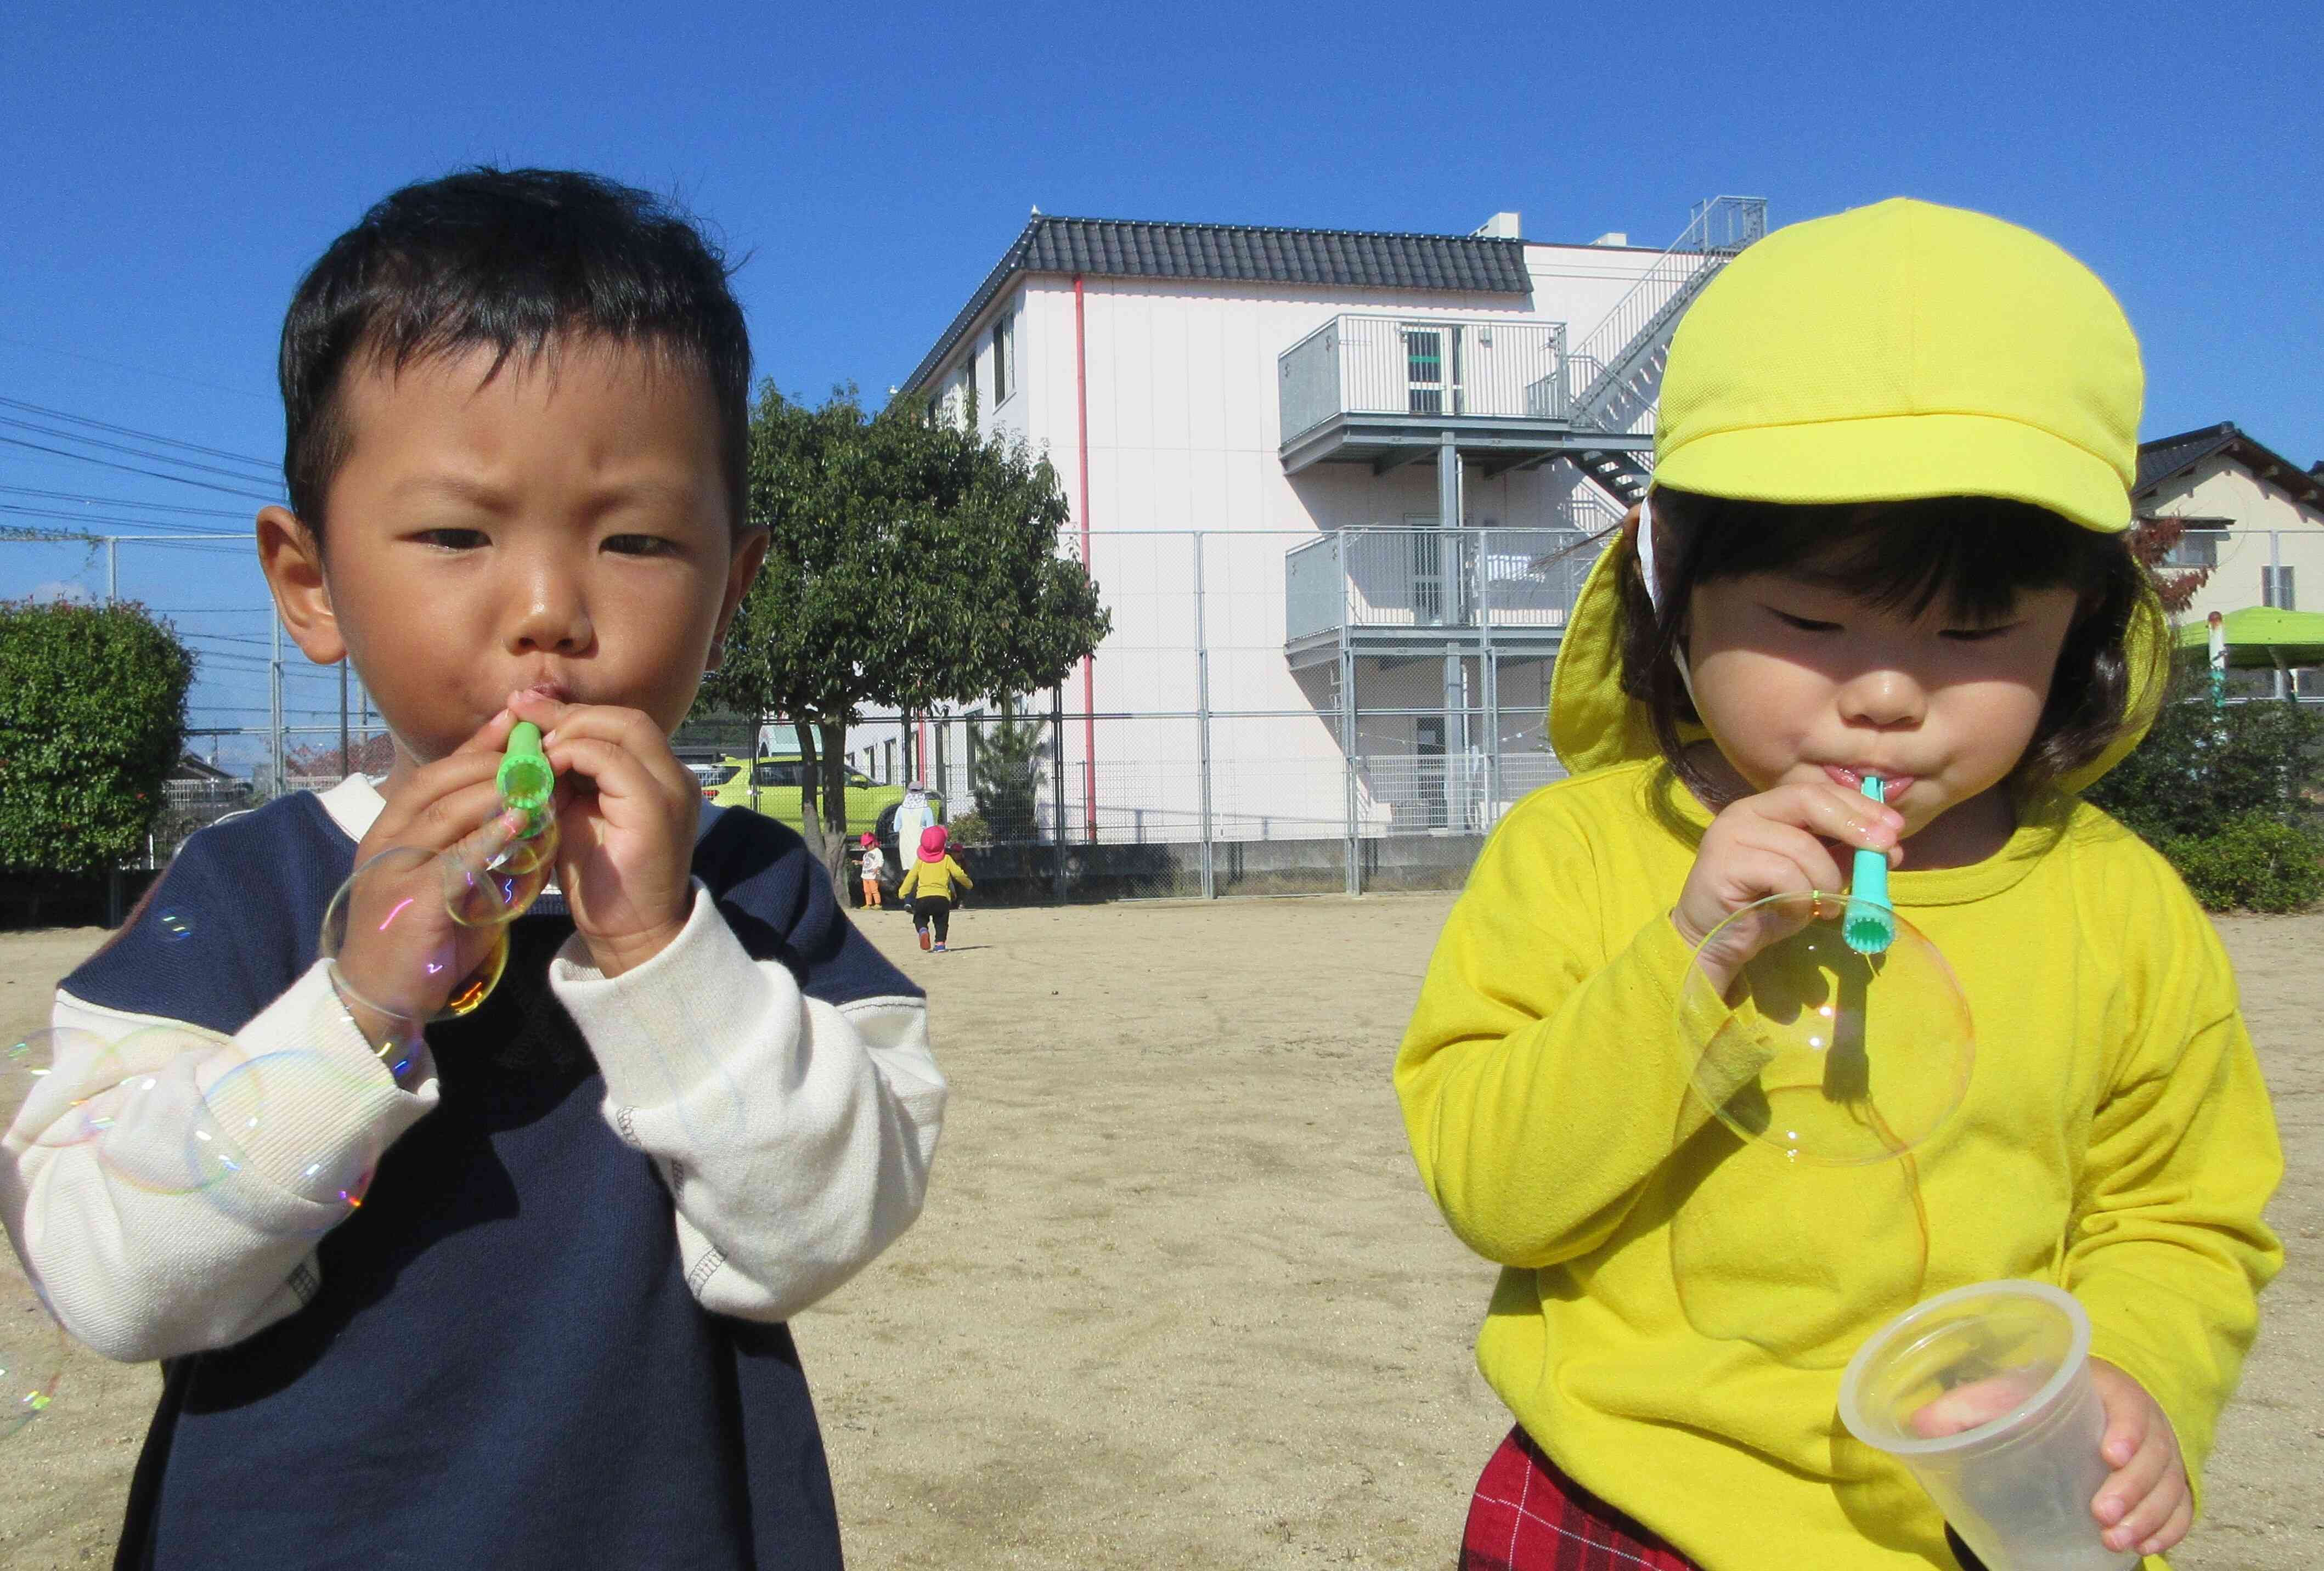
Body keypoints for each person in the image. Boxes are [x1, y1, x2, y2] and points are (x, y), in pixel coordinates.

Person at [0, 168, 946, 1571]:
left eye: (637, 540)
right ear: (311, 582)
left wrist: (665, 954)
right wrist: (354, 999)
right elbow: (106, 1278)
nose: (553, 608)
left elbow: (816, 1232)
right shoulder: (240, 888)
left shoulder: (754, 893)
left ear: (731, 591)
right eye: (456, 534)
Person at [1394, 200, 2281, 1570]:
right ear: (1670, 598)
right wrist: (1685, 954)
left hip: (1986, 1521)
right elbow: (1496, 1192)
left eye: (1977, 631)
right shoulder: (1578, 854)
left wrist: (2140, 1373)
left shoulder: (2121, 907)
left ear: (2086, 634)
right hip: (1620, 1504)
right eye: (1808, 621)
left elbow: (2176, 1211)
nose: (1883, 693)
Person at [896, 825, 972, 952]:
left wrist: (902, 892)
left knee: (919, 918)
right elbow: (958, 874)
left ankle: (923, 931)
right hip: (942, 899)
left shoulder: (921, 861)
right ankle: (940, 944)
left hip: (923, 898)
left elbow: (911, 877)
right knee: (941, 921)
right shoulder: (947, 859)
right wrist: (968, 883)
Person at [858, 830, 886, 908]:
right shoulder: (866, 854)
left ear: (873, 843)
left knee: (874, 890)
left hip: (873, 875)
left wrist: (878, 868)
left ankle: (878, 903)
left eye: (868, 845)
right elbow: (866, 862)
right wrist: (860, 863)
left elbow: (881, 861)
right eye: (865, 846)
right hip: (866, 875)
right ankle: (868, 904)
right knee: (867, 891)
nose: (866, 847)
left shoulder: (877, 852)